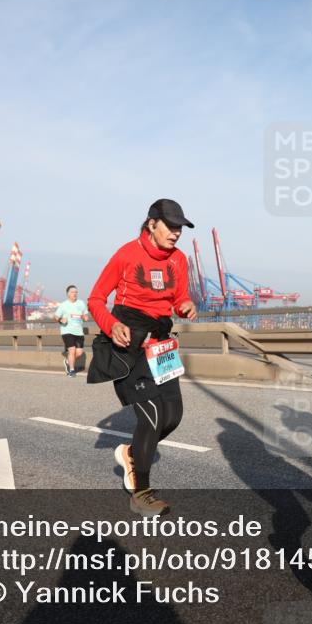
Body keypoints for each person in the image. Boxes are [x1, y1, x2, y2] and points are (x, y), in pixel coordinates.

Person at [87, 198, 198, 517]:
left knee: (172, 416)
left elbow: (179, 298)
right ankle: (141, 493)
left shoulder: (179, 259)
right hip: (129, 342)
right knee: (151, 415)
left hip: (162, 344)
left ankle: (131, 454)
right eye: (171, 226)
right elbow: (96, 298)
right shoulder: (126, 254)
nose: (176, 233)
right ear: (151, 223)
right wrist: (112, 324)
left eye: (180, 228)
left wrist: (186, 306)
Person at [55, 285, 90, 377]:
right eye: (72, 292)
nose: (75, 293)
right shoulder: (63, 305)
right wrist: (61, 320)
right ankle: (71, 370)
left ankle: (67, 361)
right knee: (72, 350)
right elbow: (56, 317)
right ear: (68, 294)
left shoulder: (81, 303)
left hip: (79, 331)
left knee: (79, 352)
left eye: (76, 292)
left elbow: (86, 315)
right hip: (67, 331)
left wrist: (85, 317)